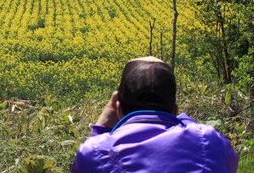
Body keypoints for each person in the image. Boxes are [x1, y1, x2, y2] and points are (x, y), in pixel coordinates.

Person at [71, 56, 238, 172]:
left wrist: (99, 131)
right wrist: (184, 121)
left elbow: (85, 165)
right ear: (174, 110)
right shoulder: (211, 141)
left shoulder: (94, 152)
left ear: (117, 108)